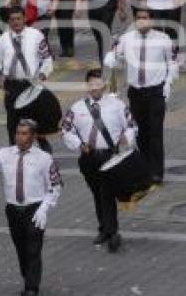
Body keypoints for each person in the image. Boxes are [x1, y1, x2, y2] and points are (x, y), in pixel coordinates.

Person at [0, 119, 62, 296]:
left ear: (33, 136)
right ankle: (27, 276)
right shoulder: (4, 154)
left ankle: (32, 287)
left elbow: (56, 185)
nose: (19, 137)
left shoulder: (44, 159)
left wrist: (44, 208)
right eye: (17, 133)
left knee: (33, 248)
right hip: (13, 210)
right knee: (21, 248)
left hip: (34, 209)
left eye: (24, 134)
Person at [61, 69, 136, 252]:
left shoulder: (117, 105)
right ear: (87, 86)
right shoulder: (77, 108)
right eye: (91, 84)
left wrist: (127, 137)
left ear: (104, 85)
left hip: (110, 156)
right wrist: (79, 144)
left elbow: (132, 125)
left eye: (98, 83)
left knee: (106, 193)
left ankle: (112, 233)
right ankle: (104, 228)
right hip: (89, 157)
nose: (95, 88)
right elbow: (66, 130)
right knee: (97, 193)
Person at [105, 8, 177, 184]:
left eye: (145, 18)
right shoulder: (126, 39)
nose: (142, 21)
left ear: (151, 20)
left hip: (155, 92)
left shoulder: (163, 40)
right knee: (139, 133)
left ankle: (157, 172)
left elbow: (172, 63)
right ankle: (144, 169)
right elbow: (115, 55)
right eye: (138, 18)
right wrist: (111, 58)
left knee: (155, 132)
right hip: (136, 92)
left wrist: (168, 84)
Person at [0, 7, 54, 148]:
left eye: (18, 18)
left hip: (31, 83)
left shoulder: (36, 35)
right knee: (13, 121)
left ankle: (43, 145)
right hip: (11, 85)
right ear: (8, 21)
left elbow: (47, 59)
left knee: (35, 118)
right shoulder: (3, 39)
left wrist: (43, 74)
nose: (16, 22)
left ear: (24, 19)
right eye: (12, 19)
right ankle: (14, 149)